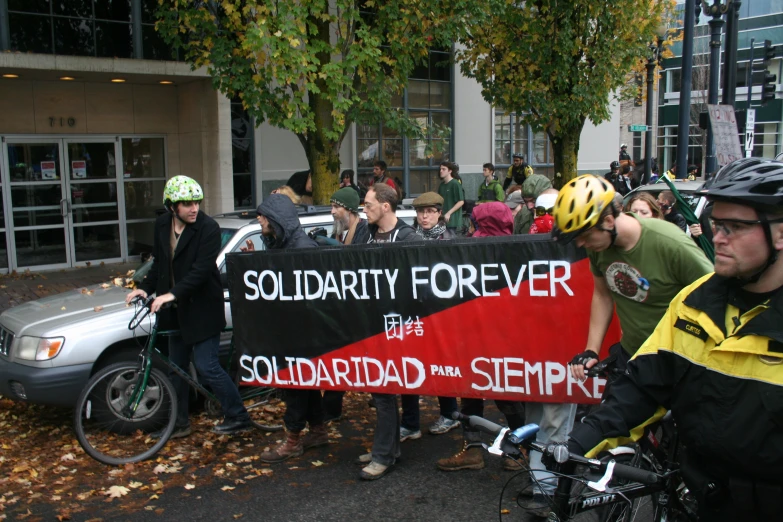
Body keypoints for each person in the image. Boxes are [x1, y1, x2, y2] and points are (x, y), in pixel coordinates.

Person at [568, 158, 783, 521]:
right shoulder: (696, 301)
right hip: (706, 497)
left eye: (735, 227)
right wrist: (575, 445)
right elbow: (644, 384)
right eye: (717, 223)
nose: (717, 237)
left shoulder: (672, 246)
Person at [550, 175, 713, 383]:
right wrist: (591, 350)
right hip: (633, 354)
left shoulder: (669, 242)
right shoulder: (599, 246)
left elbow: (714, 293)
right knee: (606, 416)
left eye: (586, 236)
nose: (581, 244)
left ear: (609, 221)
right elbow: (602, 295)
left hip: (680, 361)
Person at [126, 176, 252, 438]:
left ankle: (238, 415)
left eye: (196, 202)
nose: (194, 208)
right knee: (177, 369)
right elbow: (160, 264)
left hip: (202, 309)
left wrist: (171, 295)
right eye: (186, 204)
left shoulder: (208, 228)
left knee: (206, 366)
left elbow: (201, 271)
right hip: (174, 311)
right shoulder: (162, 225)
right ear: (172, 207)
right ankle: (179, 423)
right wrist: (145, 288)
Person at [437, 201, 526, 473]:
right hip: (484, 334)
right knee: (490, 393)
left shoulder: (476, 250)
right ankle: (513, 448)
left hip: (492, 336)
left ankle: (511, 448)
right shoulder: (520, 250)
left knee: (496, 394)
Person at [256, 194, 329, 463]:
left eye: (263, 215)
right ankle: (319, 431)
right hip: (294, 330)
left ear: (275, 219)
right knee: (305, 385)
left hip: (301, 333)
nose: (259, 219)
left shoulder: (301, 248)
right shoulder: (284, 243)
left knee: (296, 387)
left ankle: (293, 441)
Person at [358, 183, 420, 480]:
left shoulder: (409, 237)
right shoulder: (365, 234)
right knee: (380, 390)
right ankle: (387, 448)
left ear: (385, 206)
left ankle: (383, 455)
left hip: (399, 328)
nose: (364, 209)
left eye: (368, 204)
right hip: (372, 327)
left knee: (384, 392)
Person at [398, 192, 460, 440]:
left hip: (440, 313)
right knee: (409, 367)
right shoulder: (408, 238)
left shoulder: (450, 239)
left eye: (430, 212)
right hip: (414, 311)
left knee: (441, 365)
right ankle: (410, 422)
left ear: (439, 214)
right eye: (421, 212)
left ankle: (449, 413)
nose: (424, 216)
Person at [321, 187, 370, 422]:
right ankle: (332, 408)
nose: (333, 212)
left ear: (349, 209)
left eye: (336, 207)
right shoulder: (343, 231)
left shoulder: (362, 232)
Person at [437, 161, 465, 233]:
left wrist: (449, 213)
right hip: (442, 219)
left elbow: (461, 201)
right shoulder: (442, 185)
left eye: (443, 169)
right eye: (440, 169)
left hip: (452, 220)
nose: (441, 171)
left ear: (450, 171)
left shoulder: (455, 184)